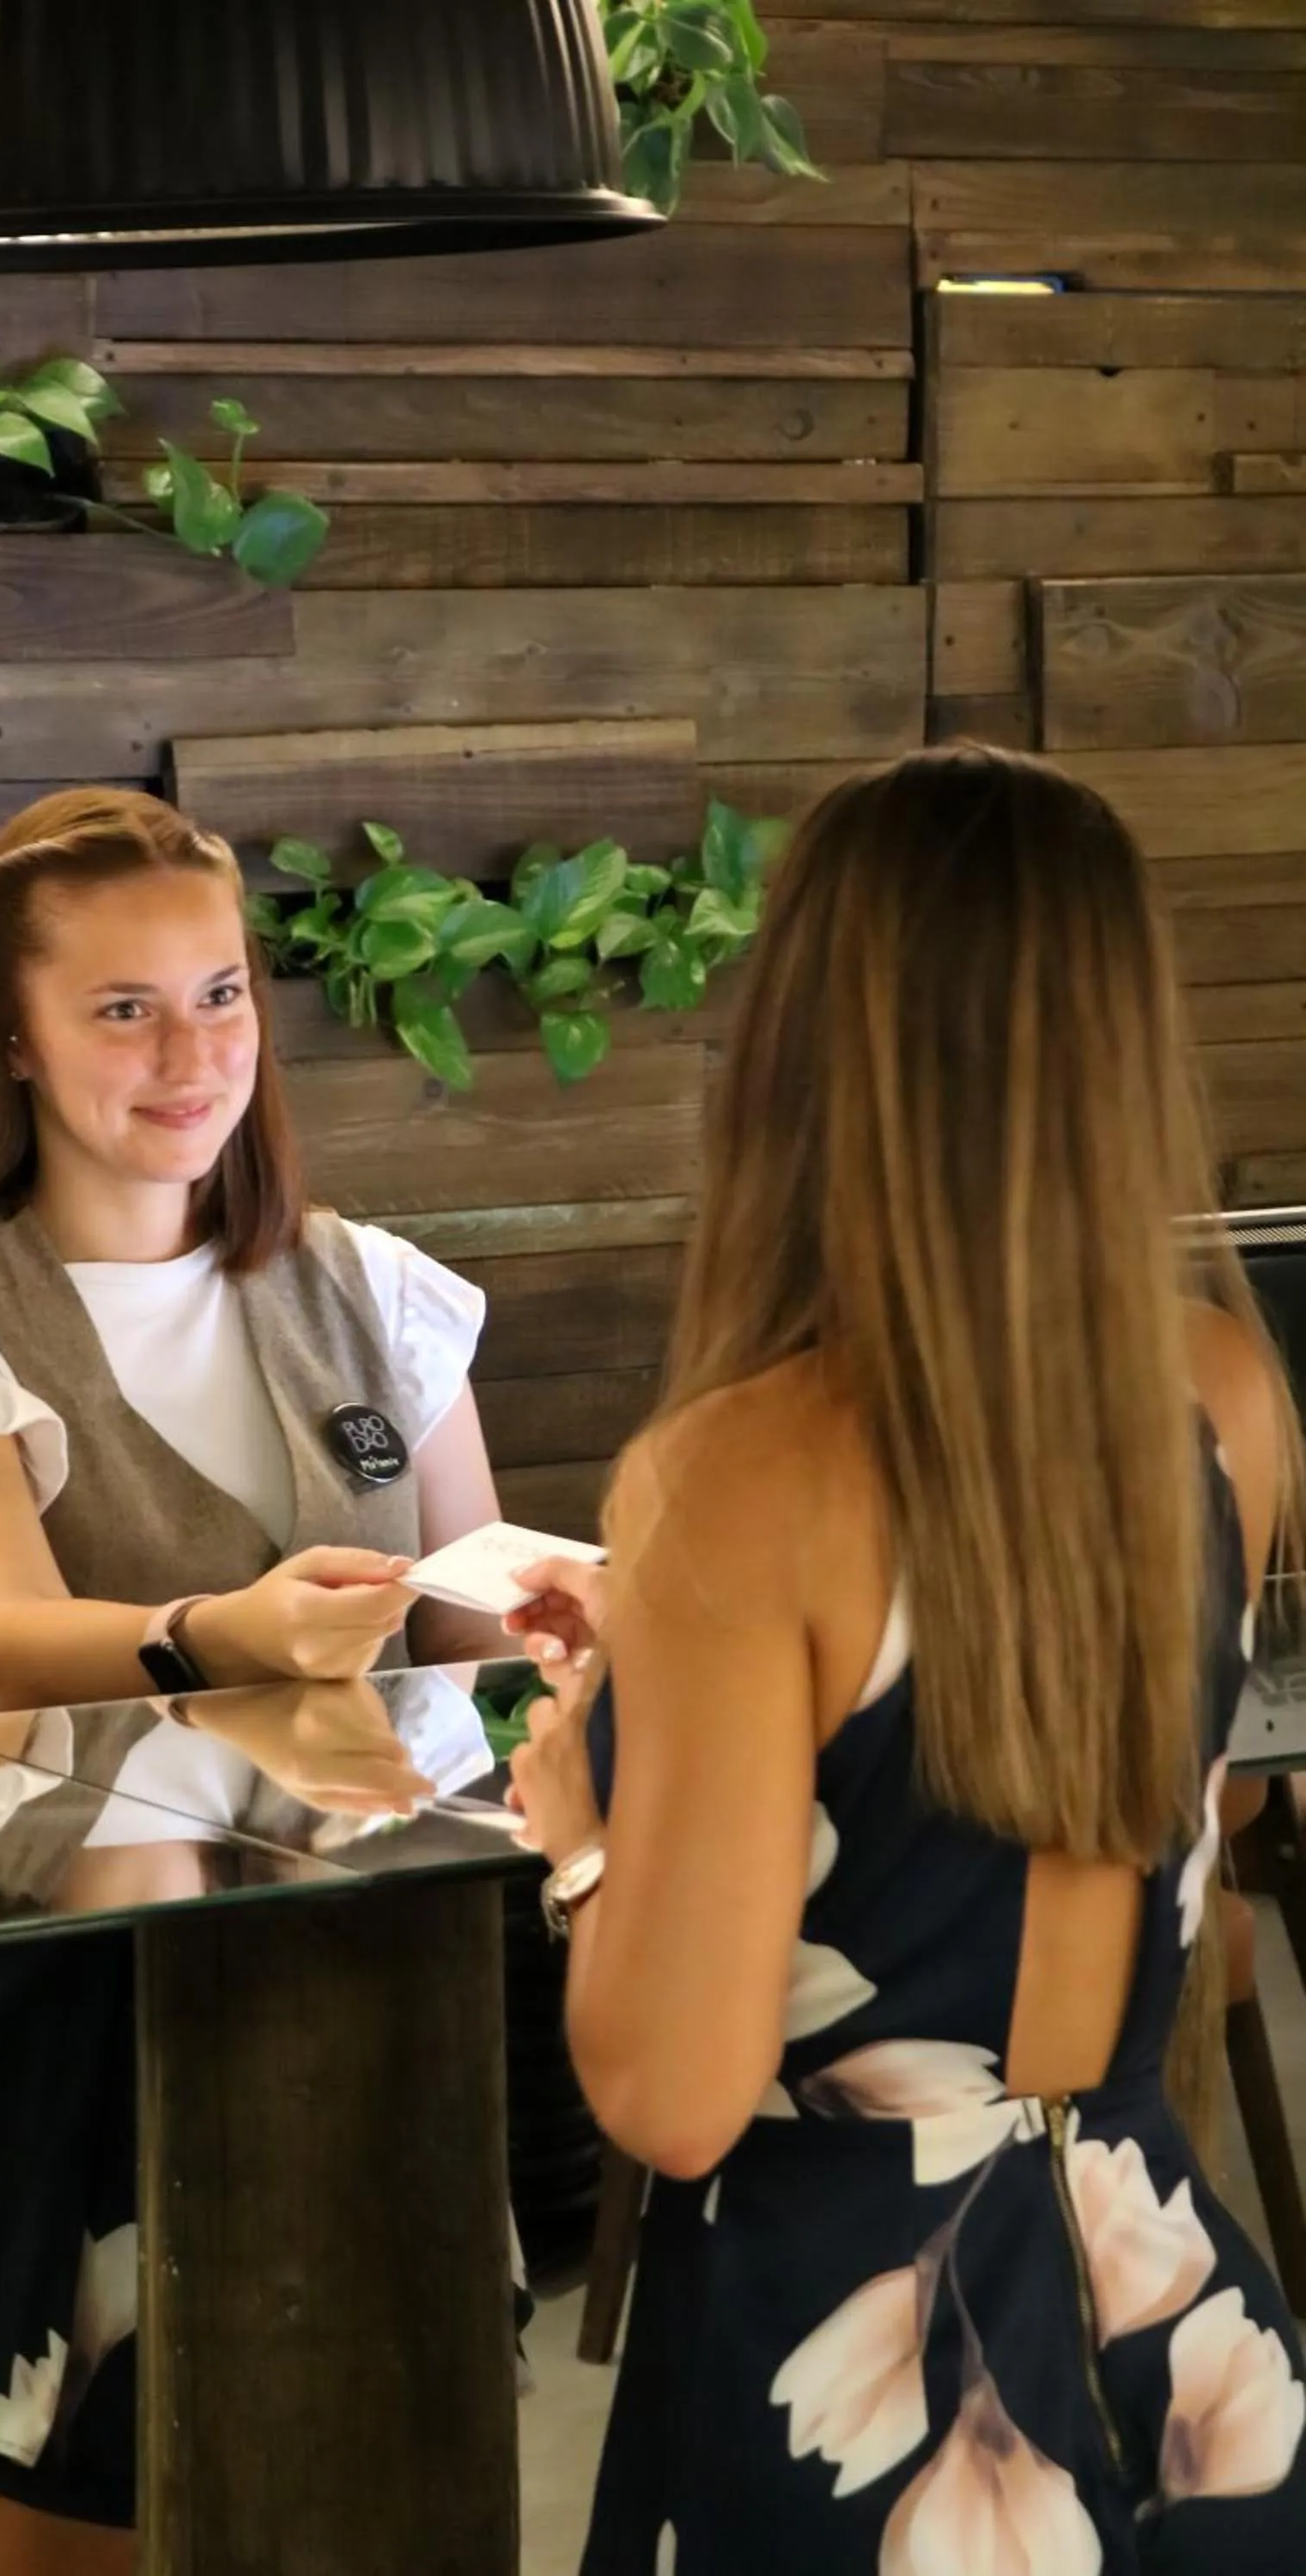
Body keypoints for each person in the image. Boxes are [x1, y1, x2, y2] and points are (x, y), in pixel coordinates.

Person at [502, 744, 1306, 2573]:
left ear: (806, 1040)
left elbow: (673, 2101)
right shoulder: (1221, 1392)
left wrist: (586, 1833)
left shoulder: (736, 1476)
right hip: (1183, 2346)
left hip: (859, 2374)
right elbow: (1175, 1805)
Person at [0, 787, 507, 2576]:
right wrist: (220, 1630)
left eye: (221, 994)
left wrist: (587, 1604)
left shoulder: (374, 1292)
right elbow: (11, 1631)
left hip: (377, 2003)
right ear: (9, 1038)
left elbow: (473, 1618)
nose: (193, 1053)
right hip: (81, 2036)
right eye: (122, 1009)